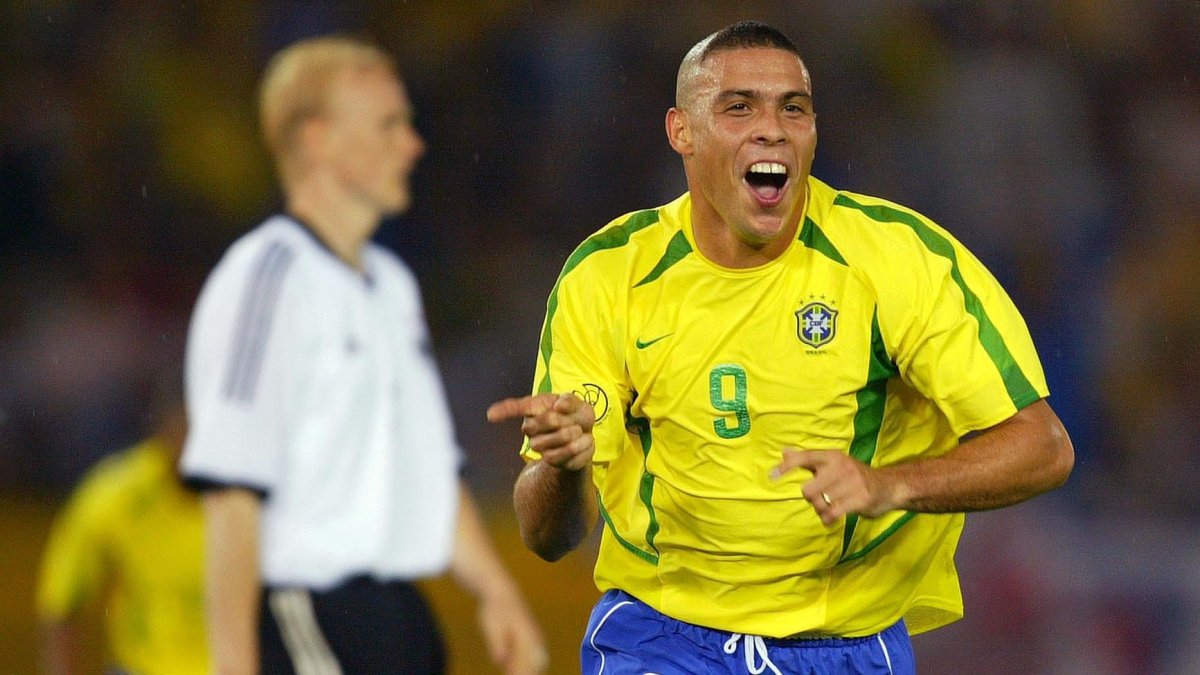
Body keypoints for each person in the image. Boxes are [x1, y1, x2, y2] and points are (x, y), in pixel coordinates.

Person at [487, 20, 1074, 675]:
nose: (772, 127)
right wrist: (565, 465)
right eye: (740, 107)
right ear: (682, 131)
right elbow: (548, 536)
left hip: (848, 644)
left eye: (793, 108)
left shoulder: (899, 260)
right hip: (663, 637)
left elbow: (1043, 445)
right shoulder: (608, 276)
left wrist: (890, 484)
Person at [180, 35, 546, 675]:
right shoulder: (265, 278)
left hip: (398, 617)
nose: (413, 144)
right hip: (307, 613)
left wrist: (496, 590)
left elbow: (430, 467)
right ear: (317, 140)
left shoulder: (392, 285)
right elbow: (232, 499)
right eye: (389, 124)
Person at [36, 378, 209, 675]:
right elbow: (63, 602)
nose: (189, 442)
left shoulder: (248, 498)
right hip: (141, 669)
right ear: (163, 427)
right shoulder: (116, 496)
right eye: (183, 428)